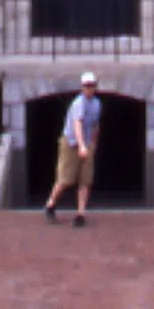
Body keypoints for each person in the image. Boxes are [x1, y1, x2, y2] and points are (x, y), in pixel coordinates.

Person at [43, 72, 103, 226]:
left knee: (85, 180)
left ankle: (80, 214)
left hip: (88, 142)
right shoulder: (78, 103)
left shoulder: (97, 104)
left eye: (91, 85)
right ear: (82, 87)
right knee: (66, 179)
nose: (89, 89)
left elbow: (95, 124)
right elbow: (78, 124)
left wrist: (93, 143)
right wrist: (81, 145)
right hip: (71, 143)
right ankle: (50, 204)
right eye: (86, 86)